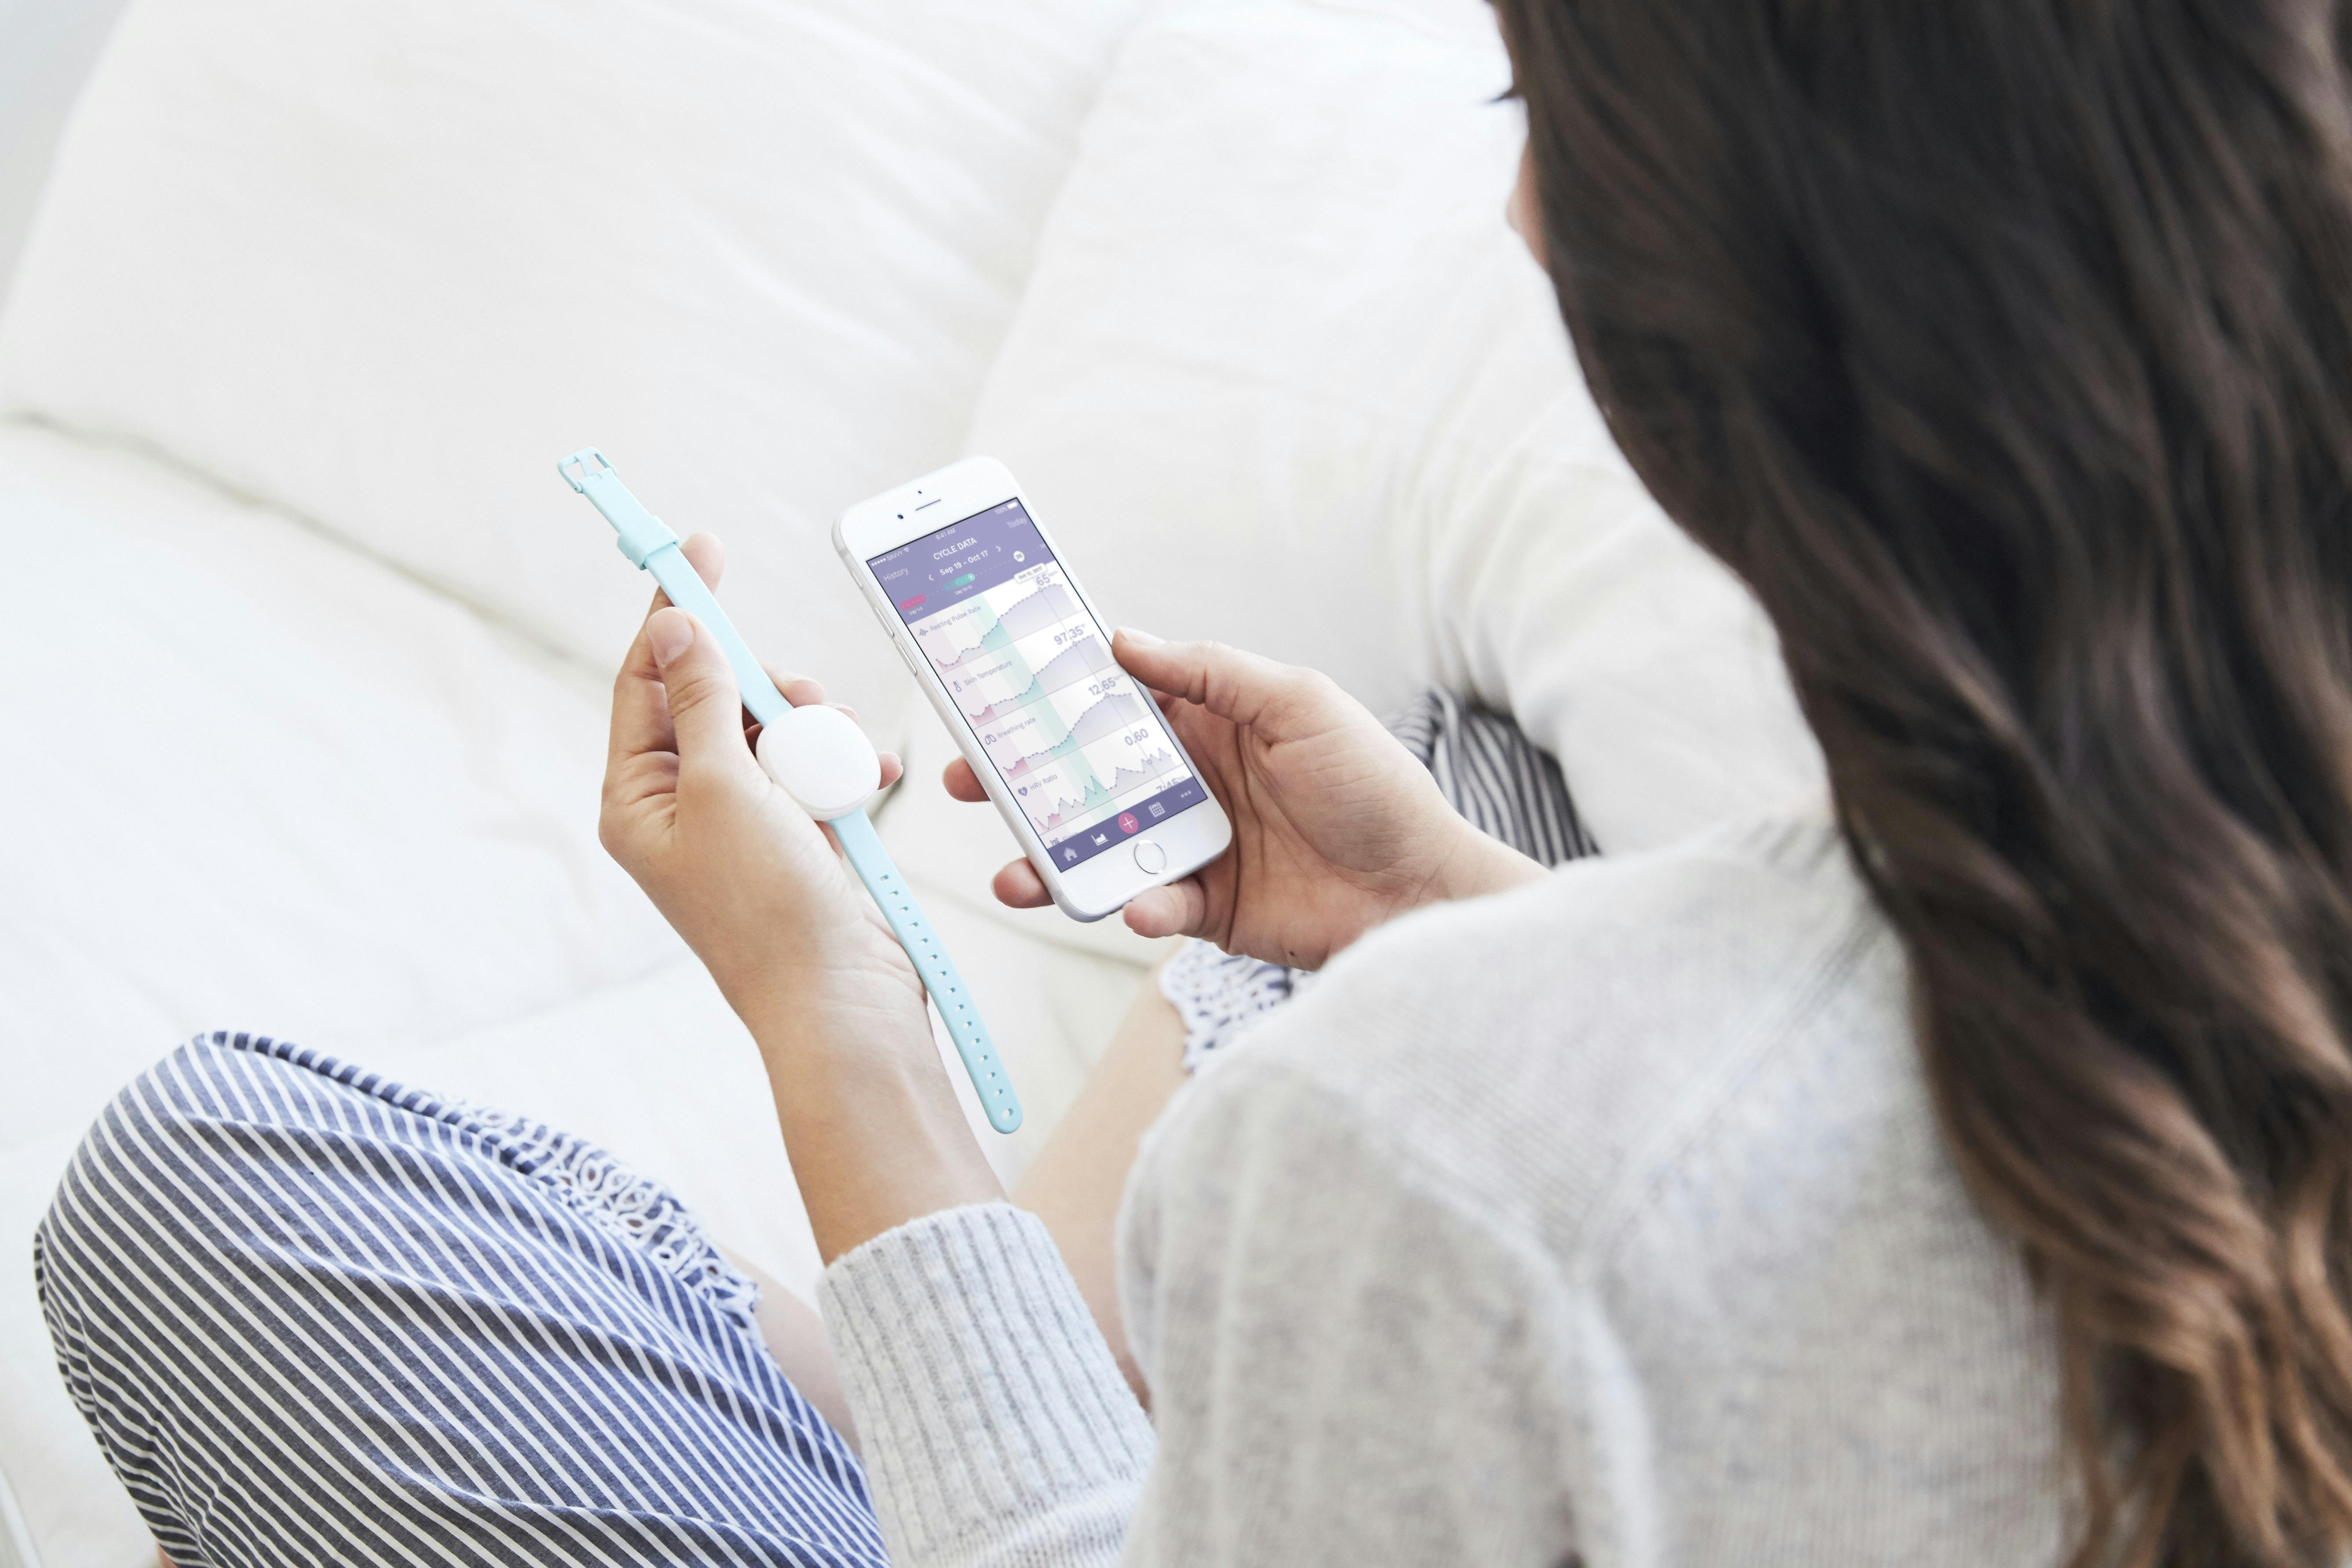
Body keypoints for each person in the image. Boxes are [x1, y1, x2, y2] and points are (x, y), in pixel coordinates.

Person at [38, 2, 2352, 1564]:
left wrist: (835, 1028)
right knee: (1490, 788)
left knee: (200, 1185)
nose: (1523, 213)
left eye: (1534, 116)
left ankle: (932, 1371)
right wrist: (1438, 908)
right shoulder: (2224, 910)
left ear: (1713, 289)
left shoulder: (1452, 1141)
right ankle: (939, 1359)